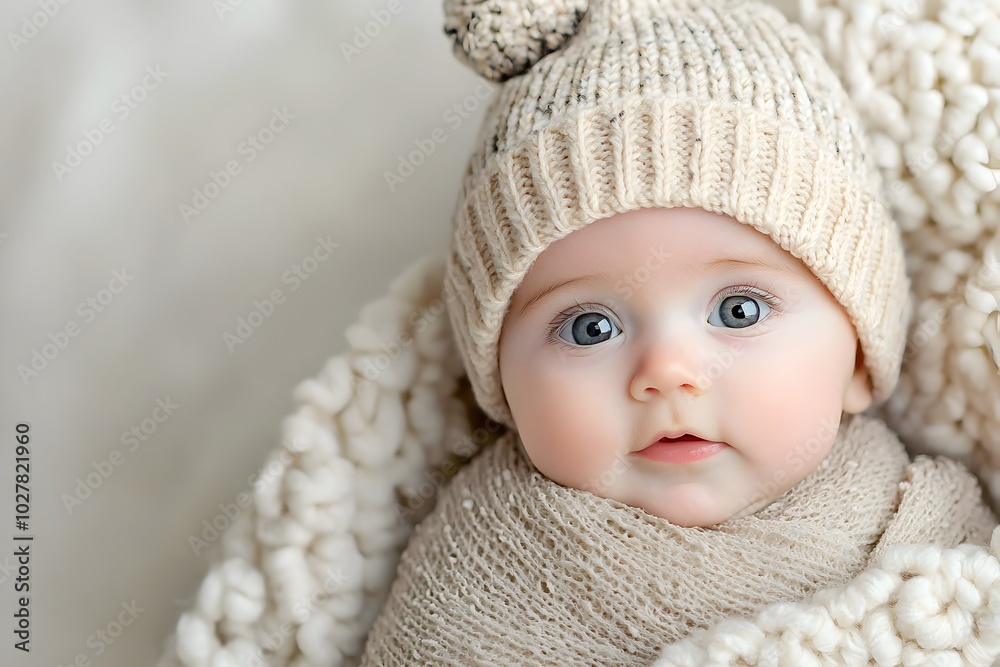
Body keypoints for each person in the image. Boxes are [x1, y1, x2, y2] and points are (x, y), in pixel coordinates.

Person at [360, 0, 998, 664]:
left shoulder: (926, 532)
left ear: (861, 357)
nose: (667, 370)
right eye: (589, 326)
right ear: (499, 385)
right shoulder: (480, 573)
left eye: (739, 310)